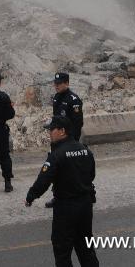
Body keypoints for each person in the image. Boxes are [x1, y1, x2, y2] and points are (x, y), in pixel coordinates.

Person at [25, 115, 99, 267]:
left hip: (66, 207)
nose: (49, 133)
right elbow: (91, 175)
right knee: (86, 249)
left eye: (52, 129)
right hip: (85, 206)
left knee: (62, 250)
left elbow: (43, 180)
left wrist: (31, 196)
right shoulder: (85, 150)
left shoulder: (57, 154)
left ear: (62, 131)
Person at [46, 71, 84, 208]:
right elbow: (56, 119)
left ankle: (78, 194)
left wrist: (72, 141)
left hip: (69, 141)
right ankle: (58, 196)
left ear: (67, 83)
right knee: (57, 170)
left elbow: (78, 123)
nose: (56, 86)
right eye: (55, 84)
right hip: (57, 141)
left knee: (71, 170)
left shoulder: (74, 100)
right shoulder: (56, 97)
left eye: (59, 84)